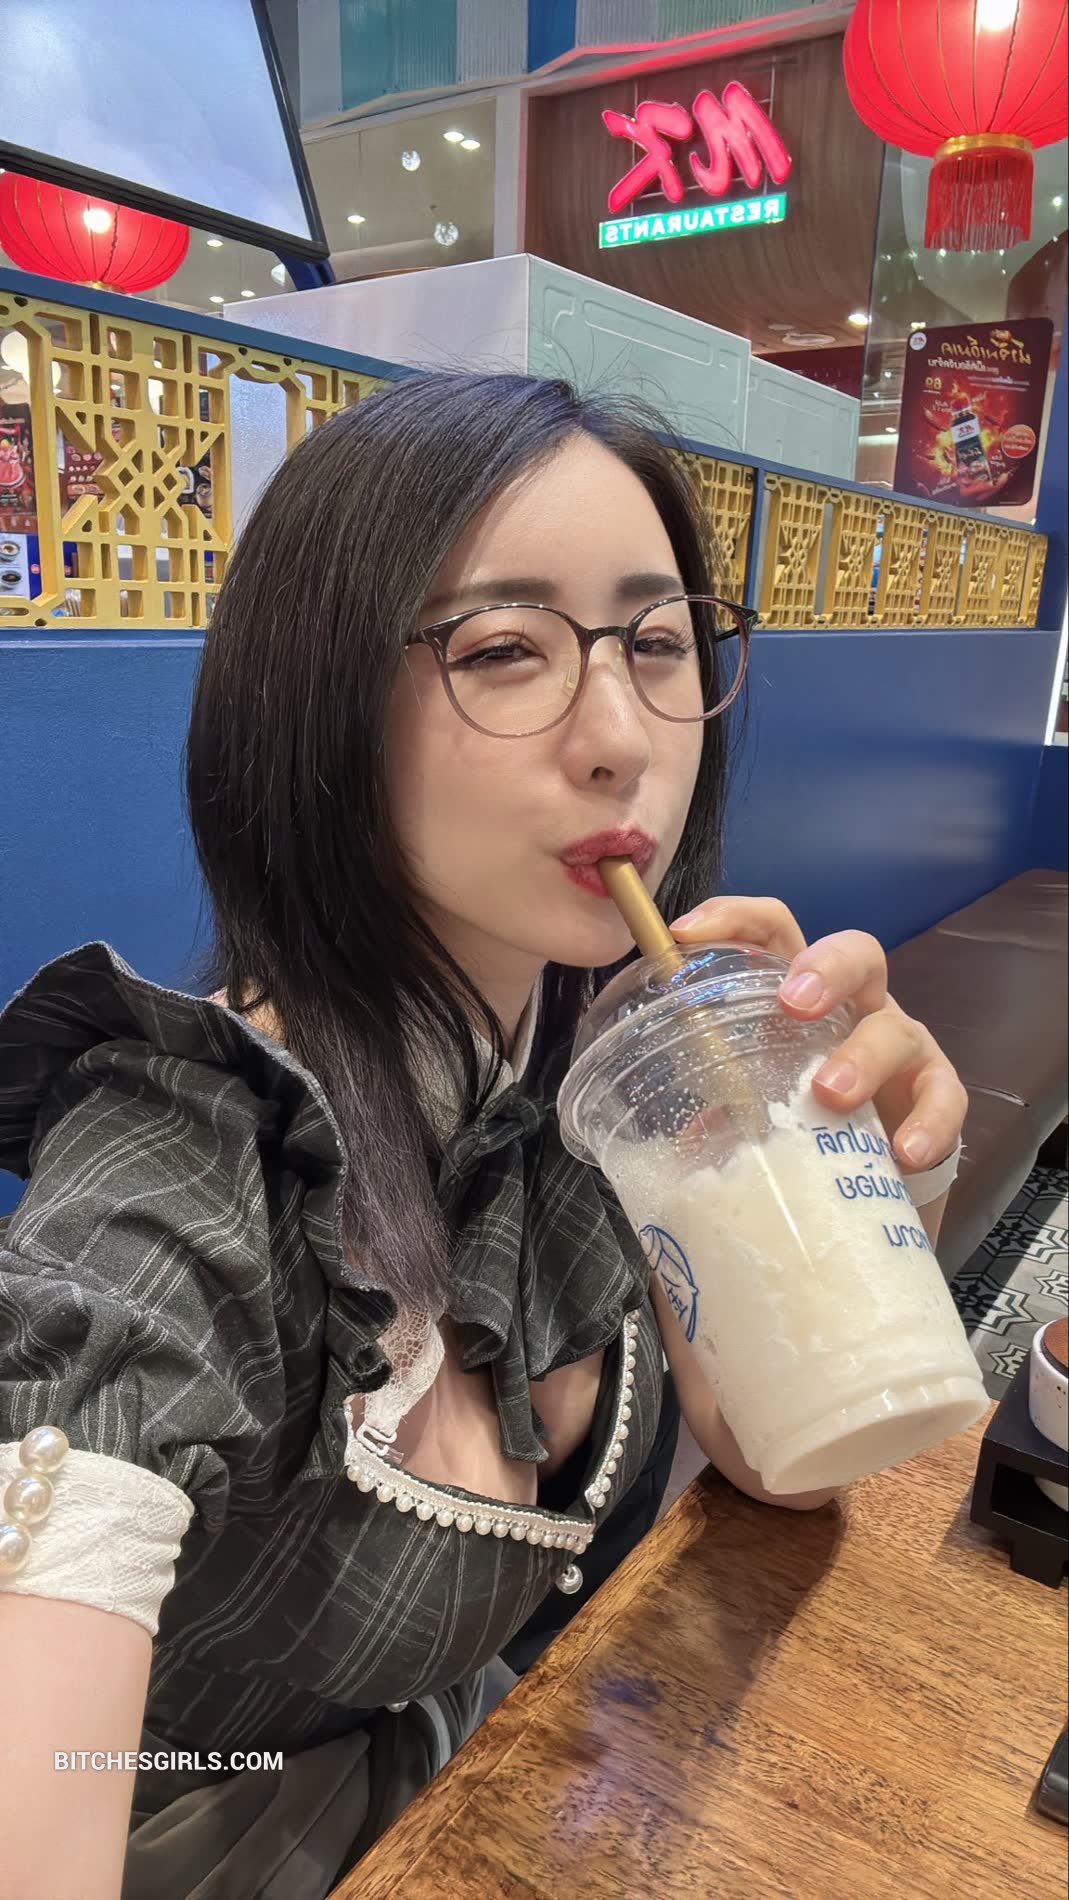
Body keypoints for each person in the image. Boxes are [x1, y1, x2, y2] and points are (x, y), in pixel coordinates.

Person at [0, 373, 967, 1900]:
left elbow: (780, 1465)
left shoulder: (601, 1062)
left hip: (515, 1791)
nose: (619, 737)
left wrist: (872, 1171)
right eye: (505, 649)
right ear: (318, 709)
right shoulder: (177, 1175)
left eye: (657, 642)